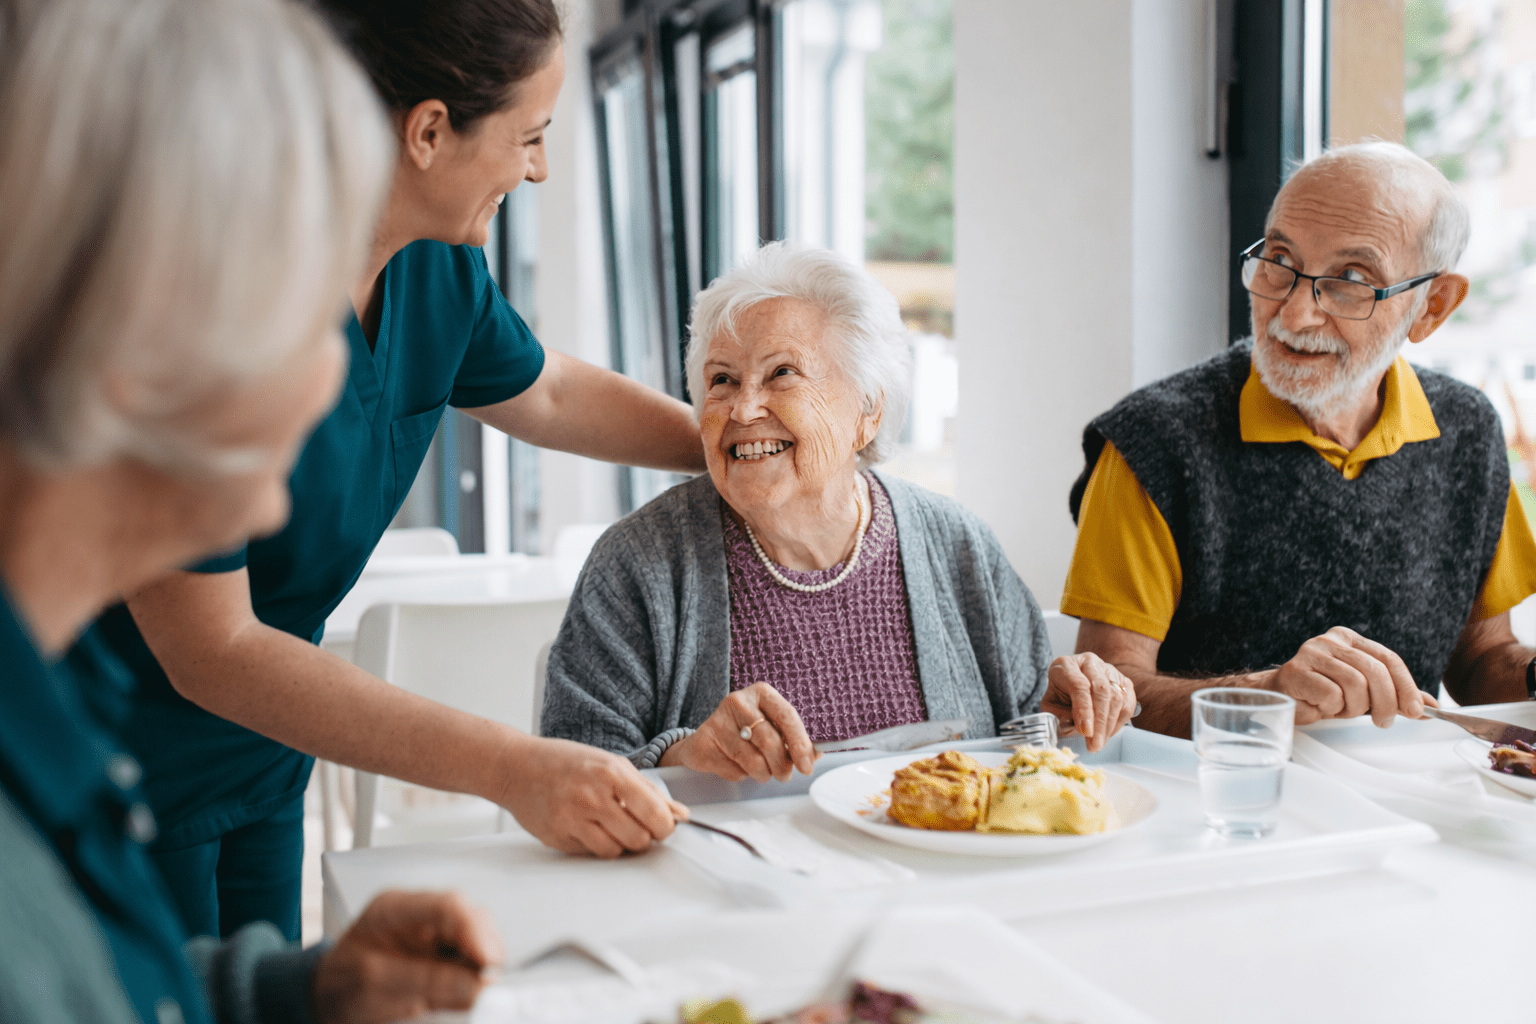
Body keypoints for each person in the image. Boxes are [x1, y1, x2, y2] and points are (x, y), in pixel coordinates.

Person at [70, 0, 694, 943]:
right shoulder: (212, 290)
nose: (540, 168)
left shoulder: (436, 272)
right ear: (430, 131)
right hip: (117, 770)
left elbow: (552, 393)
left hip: (273, 752)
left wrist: (732, 448)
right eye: (529, 137)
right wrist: (514, 768)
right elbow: (214, 648)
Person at [0, 1, 503, 1021]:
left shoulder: (60, 698)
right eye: (306, 292)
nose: (340, 361)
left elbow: (102, 985)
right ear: (150, 329)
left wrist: (296, 985)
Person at [541, 243, 1137, 780]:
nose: (744, 408)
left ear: (868, 411)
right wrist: (683, 759)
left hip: (931, 887)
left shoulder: (957, 544)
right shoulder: (636, 564)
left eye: (782, 374)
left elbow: (1028, 739)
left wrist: (1069, 712)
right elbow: (572, 776)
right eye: (722, 380)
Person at [1062, 141, 1536, 739]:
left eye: (1351, 280)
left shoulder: (1468, 429)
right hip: (1224, 807)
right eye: (1278, 260)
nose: (1293, 314)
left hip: (1408, 804)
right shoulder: (1152, 442)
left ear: (1431, 307)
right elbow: (1107, 695)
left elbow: (1480, 661)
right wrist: (1268, 694)